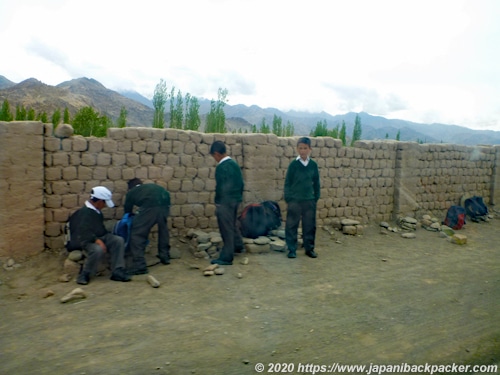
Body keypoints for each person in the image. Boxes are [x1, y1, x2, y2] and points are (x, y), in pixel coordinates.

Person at [67, 186, 131, 285]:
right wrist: (97, 240)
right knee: (97, 250)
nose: (104, 205)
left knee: (118, 240)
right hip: (87, 240)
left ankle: (117, 270)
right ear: (99, 201)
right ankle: (85, 274)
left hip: (100, 236)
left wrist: (107, 238)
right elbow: (84, 232)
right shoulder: (85, 213)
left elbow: (100, 229)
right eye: (104, 202)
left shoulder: (96, 211)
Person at [124, 178, 171, 275]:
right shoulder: (151, 186)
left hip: (150, 208)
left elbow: (127, 210)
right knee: (163, 231)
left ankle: (140, 265)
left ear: (130, 187)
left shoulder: (132, 192)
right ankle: (165, 256)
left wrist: (134, 219)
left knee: (137, 234)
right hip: (165, 205)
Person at [284, 137, 321, 259]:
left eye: (305, 148)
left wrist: (315, 198)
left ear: (310, 149)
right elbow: (288, 182)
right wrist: (289, 198)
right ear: (297, 149)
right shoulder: (294, 165)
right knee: (291, 225)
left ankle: (309, 249)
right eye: (300, 148)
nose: (303, 151)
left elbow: (316, 183)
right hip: (295, 200)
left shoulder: (313, 165)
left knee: (309, 225)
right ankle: (292, 249)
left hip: (309, 200)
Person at [209, 141, 244, 265]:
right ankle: (238, 245)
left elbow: (221, 187)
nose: (215, 159)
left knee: (226, 229)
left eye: (214, 156)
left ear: (217, 154)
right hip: (235, 200)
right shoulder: (234, 165)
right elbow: (241, 183)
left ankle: (227, 256)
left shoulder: (221, 167)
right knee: (233, 224)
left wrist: (218, 202)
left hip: (225, 202)